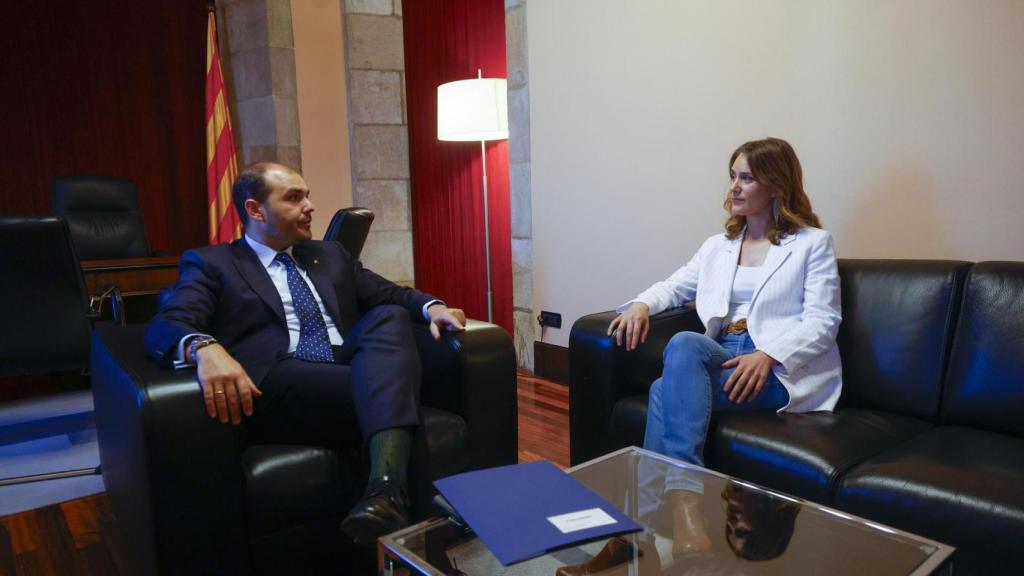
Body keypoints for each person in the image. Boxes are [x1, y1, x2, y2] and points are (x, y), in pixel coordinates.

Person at [144, 162, 466, 546]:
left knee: (389, 316)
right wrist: (205, 347)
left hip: (346, 367)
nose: (310, 206)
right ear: (255, 210)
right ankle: (405, 500)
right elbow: (168, 322)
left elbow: (391, 294)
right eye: (294, 198)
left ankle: (385, 491)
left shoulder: (330, 254)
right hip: (280, 377)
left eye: (307, 195)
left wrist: (434, 308)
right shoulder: (213, 263)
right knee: (394, 381)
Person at [608, 136, 842, 555]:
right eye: (733, 176)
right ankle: (681, 511)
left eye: (747, 178)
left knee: (664, 391)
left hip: (775, 367)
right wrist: (642, 304)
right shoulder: (718, 247)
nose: (734, 187)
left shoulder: (812, 243)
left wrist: (769, 355)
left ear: (776, 185)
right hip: (722, 351)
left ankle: (641, 531)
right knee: (685, 342)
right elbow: (674, 286)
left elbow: (824, 322)